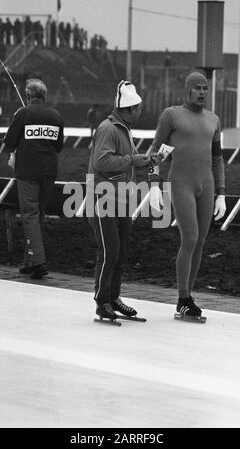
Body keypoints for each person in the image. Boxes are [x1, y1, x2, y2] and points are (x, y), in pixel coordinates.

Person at [148, 71, 226, 319]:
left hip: (207, 185)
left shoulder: (213, 120)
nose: (203, 92)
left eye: (206, 88)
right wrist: (153, 184)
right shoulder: (171, 116)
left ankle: (188, 297)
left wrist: (222, 193)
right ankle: (182, 298)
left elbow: (217, 159)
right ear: (188, 90)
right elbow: (155, 152)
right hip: (181, 183)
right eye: (198, 88)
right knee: (190, 237)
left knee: (201, 240)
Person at [87, 80, 150, 321]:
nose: (141, 111)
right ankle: (102, 301)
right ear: (130, 108)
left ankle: (113, 297)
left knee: (120, 251)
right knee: (110, 251)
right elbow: (102, 162)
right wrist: (132, 161)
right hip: (104, 198)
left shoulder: (122, 128)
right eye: (138, 107)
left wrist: (140, 159)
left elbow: (121, 159)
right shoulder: (108, 128)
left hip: (121, 198)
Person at [4, 79, 64, 279]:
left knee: (29, 215)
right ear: (44, 96)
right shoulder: (56, 116)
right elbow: (58, 146)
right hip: (49, 172)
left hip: (28, 172)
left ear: (28, 97)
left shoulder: (23, 113)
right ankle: (29, 261)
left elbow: (9, 141)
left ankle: (38, 262)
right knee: (37, 215)